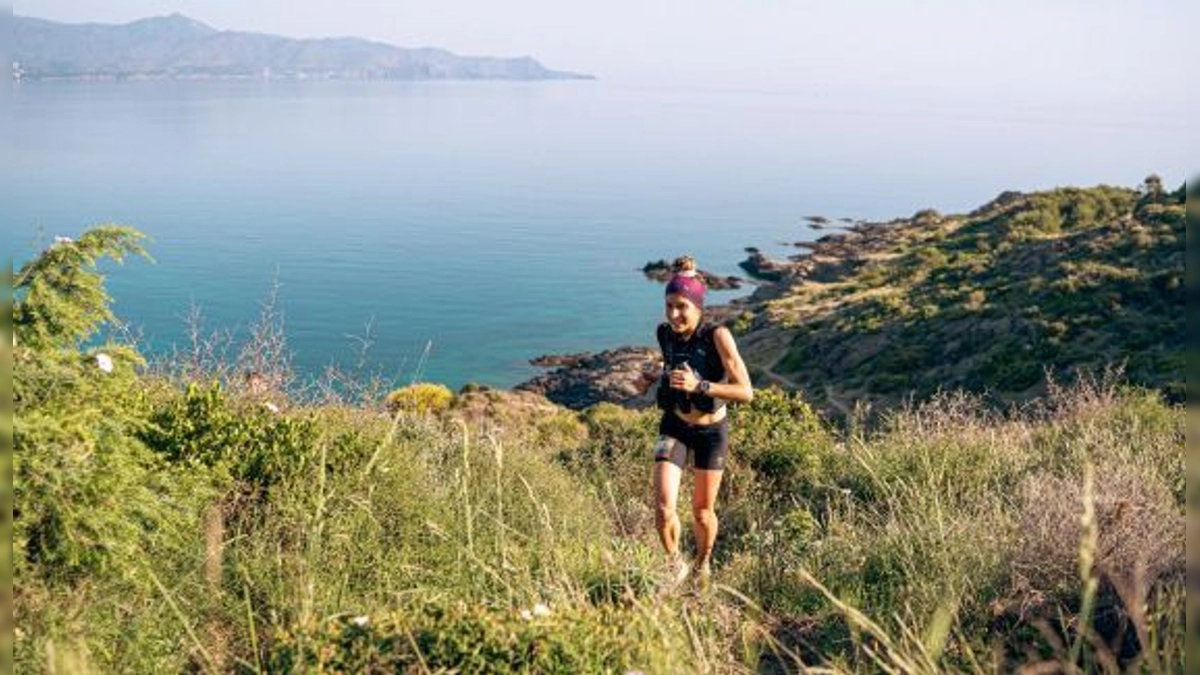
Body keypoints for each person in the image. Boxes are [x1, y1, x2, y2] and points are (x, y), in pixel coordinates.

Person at [652, 255, 753, 591]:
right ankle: (674, 565)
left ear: (698, 305)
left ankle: (702, 564)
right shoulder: (664, 334)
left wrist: (701, 386)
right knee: (664, 508)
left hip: (711, 432)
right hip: (674, 425)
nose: (673, 314)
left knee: (701, 512)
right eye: (669, 305)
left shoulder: (718, 336)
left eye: (681, 306)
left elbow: (746, 392)